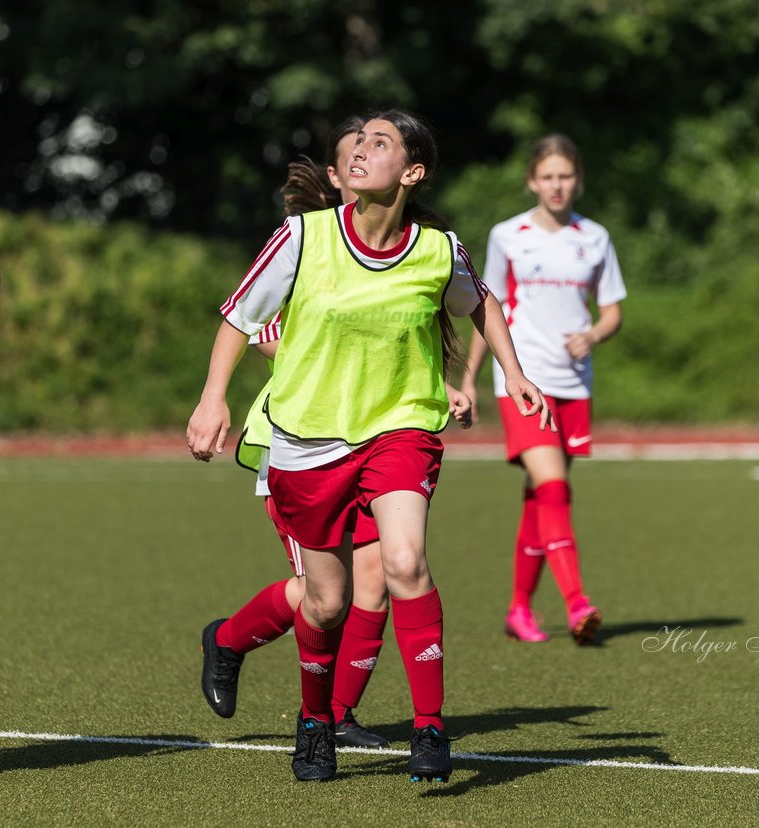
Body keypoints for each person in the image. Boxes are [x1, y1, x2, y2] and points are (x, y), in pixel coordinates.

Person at [187, 110, 548, 783]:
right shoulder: (302, 237)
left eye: (381, 142)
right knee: (325, 602)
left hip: (399, 431)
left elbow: (482, 302)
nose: (361, 148)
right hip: (306, 440)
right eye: (358, 140)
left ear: (413, 172)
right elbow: (239, 315)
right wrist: (213, 399)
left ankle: (430, 728)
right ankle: (315, 721)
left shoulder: (439, 250)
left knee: (404, 563)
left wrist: (514, 374)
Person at [461, 133, 625, 646]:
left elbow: (613, 310)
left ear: (578, 180)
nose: (557, 185)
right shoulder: (508, 235)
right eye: (548, 176)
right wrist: (469, 377)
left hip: (573, 383)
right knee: (554, 488)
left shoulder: (594, 237)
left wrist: (594, 334)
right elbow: (483, 308)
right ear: (533, 180)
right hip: (523, 382)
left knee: (540, 498)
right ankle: (578, 604)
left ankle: (518, 610)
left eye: (566, 176)